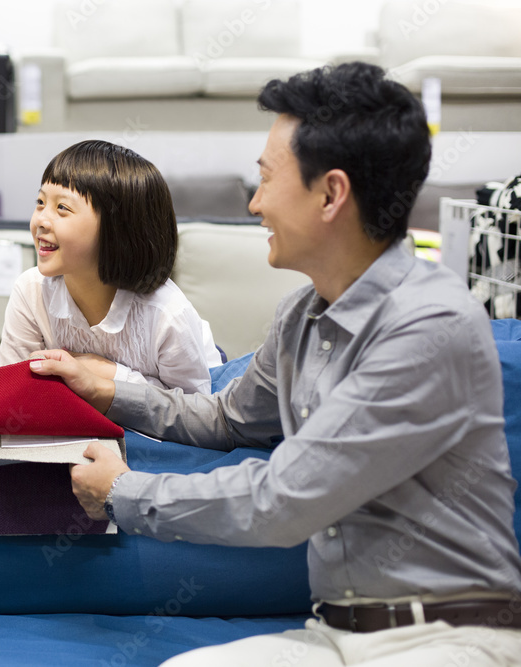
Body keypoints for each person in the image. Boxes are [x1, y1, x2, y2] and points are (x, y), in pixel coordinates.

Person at [32, 62, 521, 665]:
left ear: (331, 194)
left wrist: (123, 491)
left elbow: (287, 498)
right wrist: (107, 388)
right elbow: (225, 420)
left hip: (451, 638)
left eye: (267, 179)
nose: (255, 201)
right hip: (335, 634)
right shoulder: (301, 317)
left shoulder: (430, 326)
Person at [0, 139, 222, 393]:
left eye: (62, 207)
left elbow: (195, 412)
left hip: (199, 378)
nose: (41, 220)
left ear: (118, 229)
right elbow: (9, 386)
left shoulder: (168, 314)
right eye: (40, 202)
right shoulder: (31, 290)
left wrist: (109, 374)